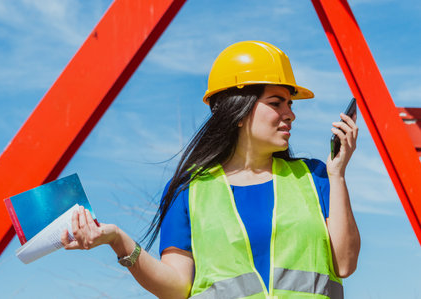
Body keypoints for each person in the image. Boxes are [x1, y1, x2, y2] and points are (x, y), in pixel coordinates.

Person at [61, 41, 360, 299]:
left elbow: (344, 264)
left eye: (290, 103)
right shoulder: (189, 191)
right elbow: (177, 287)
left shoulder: (316, 177)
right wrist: (118, 239)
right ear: (239, 111)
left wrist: (338, 174)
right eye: (276, 102)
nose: (290, 114)